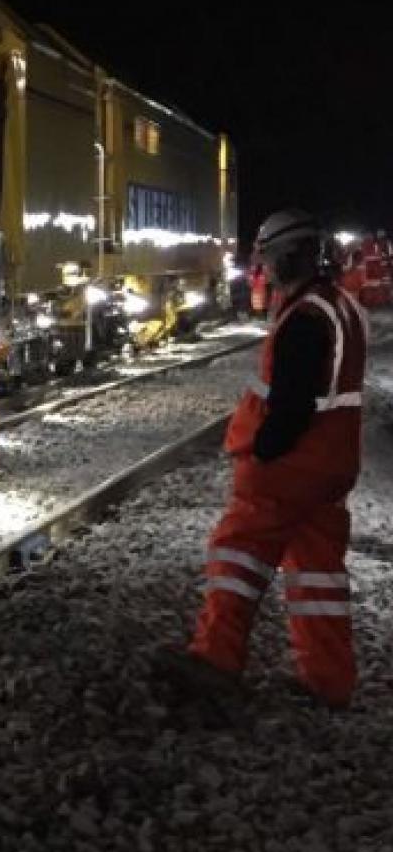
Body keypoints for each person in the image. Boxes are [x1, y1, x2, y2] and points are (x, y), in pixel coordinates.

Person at [157, 209, 368, 709]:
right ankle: (328, 680)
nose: (264, 269)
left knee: (236, 552)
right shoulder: (341, 305)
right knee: (317, 571)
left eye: (268, 258)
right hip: (332, 463)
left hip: (290, 466)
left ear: (288, 256)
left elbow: (292, 400)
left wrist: (266, 448)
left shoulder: (305, 318)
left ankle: (215, 659)